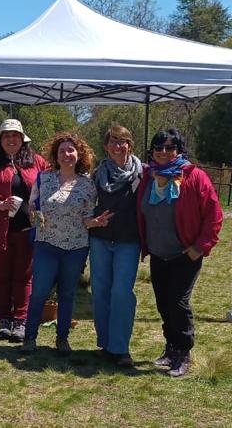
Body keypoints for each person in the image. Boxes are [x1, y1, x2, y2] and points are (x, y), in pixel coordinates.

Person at [136, 128, 223, 378]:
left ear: (179, 150)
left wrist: (199, 248)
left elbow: (214, 215)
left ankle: (184, 352)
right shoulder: (148, 177)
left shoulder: (194, 177)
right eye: (159, 147)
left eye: (170, 147)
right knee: (164, 303)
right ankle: (171, 348)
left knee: (177, 302)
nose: (163, 152)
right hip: (159, 253)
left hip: (185, 254)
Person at [21, 133, 97, 356]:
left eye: (71, 150)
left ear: (79, 154)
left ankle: (62, 339)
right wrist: (33, 214)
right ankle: (29, 338)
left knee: (67, 294)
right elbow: (32, 206)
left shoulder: (88, 184)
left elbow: (87, 216)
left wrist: (95, 222)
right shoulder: (43, 179)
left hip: (76, 247)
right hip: (46, 244)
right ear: (56, 155)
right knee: (39, 292)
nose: (66, 154)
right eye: (62, 150)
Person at [0, 119, 46, 342]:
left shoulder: (37, 161)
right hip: (0, 230)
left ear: (23, 139)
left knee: (24, 277)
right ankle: (4, 319)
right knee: (2, 276)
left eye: (15, 135)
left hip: (28, 229)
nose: (11, 139)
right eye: (7, 135)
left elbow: (50, 186)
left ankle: (20, 320)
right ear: (0, 140)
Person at [86, 126, 142, 366]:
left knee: (121, 293)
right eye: (112, 142)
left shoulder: (142, 174)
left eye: (121, 142)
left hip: (128, 241)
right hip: (100, 239)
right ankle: (106, 344)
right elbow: (86, 204)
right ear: (106, 146)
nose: (117, 146)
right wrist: (92, 220)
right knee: (100, 292)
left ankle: (120, 348)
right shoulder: (97, 174)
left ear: (130, 145)